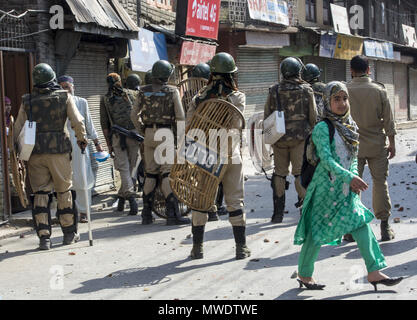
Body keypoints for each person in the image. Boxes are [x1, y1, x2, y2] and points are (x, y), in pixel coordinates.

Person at [293, 81, 403, 291]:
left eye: (344, 98)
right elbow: (326, 160)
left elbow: (354, 157)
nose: (342, 103)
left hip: (344, 189)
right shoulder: (322, 128)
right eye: (336, 99)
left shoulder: (349, 125)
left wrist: (353, 175)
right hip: (325, 189)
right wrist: (348, 177)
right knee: (315, 232)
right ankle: (304, 274)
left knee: (360, 224)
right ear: (327, 101)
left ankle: (374, 271)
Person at [13, 63, 87, 250]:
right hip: (59, 153)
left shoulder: (27, 100)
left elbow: (17, 129)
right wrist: (82, 140)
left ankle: (44, 237)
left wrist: (17, 152)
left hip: (35, 154)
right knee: (64, 191)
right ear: (53, 77)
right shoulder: (64, 97)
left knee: (40, 194)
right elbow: (77, 121)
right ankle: (69, 233)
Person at [186, 52, 251, 260]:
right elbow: (237, 124)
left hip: (206, 154)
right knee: (234, 200)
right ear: (232, 75)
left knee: (201, 199)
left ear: (212, 74)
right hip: (231, 153)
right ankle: (241, 248)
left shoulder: (198, 99)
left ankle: (198, 248)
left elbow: (188, 127)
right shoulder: (238, 97)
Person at [131, 60, 190, 226]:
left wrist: (143, 130)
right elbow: (180, 117)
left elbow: (134, 115)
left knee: (150, 173)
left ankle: (146, 215)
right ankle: (172, 214)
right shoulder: (172, 91)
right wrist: (179, 140)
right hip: (166, 134)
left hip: (149, 133)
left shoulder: (142, 91)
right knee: (166, 173)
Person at [346, 55, 397, 242]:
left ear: (351, 71)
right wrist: (392, 143)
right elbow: (388, 120)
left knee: (352, 186)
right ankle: (384, 227)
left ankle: (351, 229)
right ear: (369, 70)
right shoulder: (379, 90)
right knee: (380, 183)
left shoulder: (343, 91)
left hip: (352, 147)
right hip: (376, 145)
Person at [264, 57, 317, 224]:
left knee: (279, 173)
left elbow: (267, 115)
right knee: (299, 173)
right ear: (298, 71)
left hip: (279, 139)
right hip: (300, 139)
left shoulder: (274, 90)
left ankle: (277, 213)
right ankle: (305, 211)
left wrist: (270, 137)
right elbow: (313, 116)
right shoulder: (306, 90)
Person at [58, 75, 103, 223]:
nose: (65, 90)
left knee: (83, 177)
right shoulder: (56, 103)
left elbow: (89, 123)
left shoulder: (81, 102)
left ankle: (84, 211)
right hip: (61, 146)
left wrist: (97, 143)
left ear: (73, 87)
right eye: (62, 87)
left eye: (67, 86)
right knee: (63, 179)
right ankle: (68, 211)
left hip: (79, 145)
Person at [100, 73, 139, 215]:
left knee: (124, 168)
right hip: (134, 135)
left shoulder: (105, 99)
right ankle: (129, 196)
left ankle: (125, 195)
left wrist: (109, 144)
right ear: (120, 81)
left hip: (117, 136)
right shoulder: (132, 94)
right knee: (132, 167)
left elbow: (104, 125)